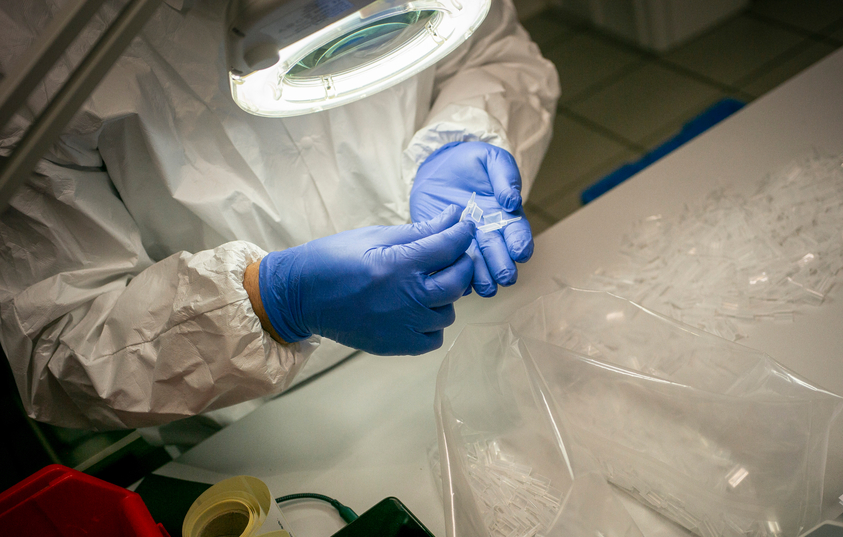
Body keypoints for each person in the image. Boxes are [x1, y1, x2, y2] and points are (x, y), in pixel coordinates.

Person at [0, 0, 559, 439]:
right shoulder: (33, 46)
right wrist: (272, 302)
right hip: (261, 419)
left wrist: (458, 136)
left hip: (473, 331)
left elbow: (493, 54)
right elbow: (58, 342)